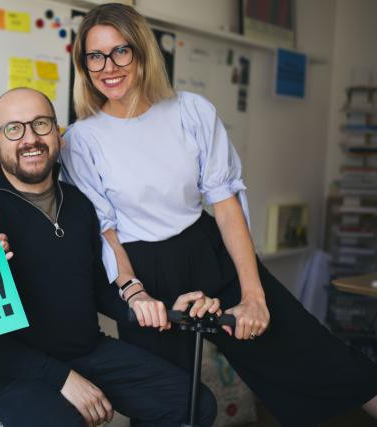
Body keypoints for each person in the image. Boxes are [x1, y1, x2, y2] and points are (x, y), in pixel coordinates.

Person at [61, 3, 377, 426]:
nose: (108, 66)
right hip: (143, 269)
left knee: (316, 355)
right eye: (94, 56)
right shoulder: (81, 140)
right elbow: (106, 232)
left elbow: (226, 207)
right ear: (84, 64)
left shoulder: (192, 111)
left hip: (207, 247)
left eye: (121, 51)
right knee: (170, 404)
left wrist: (254, 296)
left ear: (142, 52)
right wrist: (135, 292)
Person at [0, 87, 221, 427]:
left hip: (88, 351)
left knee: (196, 404)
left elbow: (96, 287)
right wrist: (64, 379)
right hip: (16, 371)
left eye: (41, 124)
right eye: (14, 128)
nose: (30, 138)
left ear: (59, 135)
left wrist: (155, 305)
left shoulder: (79, 204)